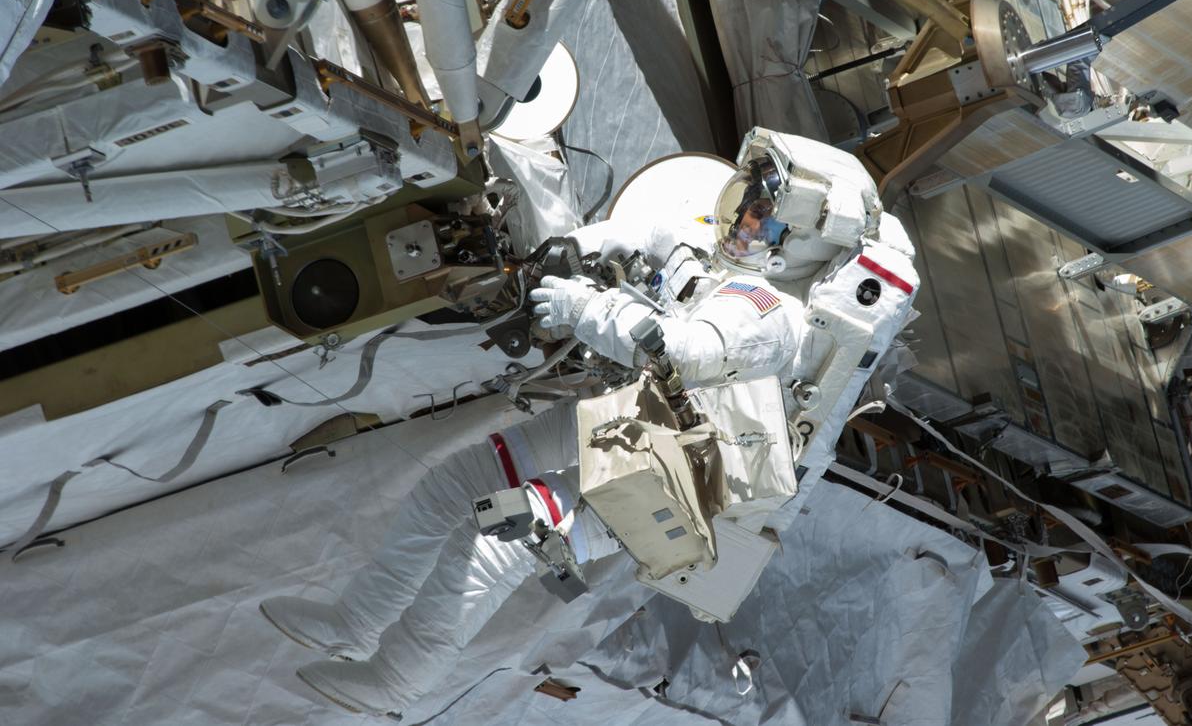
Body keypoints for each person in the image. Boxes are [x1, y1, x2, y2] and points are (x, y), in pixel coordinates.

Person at [260, 128, 920, 716]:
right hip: (647, 422)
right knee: (452, 485)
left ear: (802, 240)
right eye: (748, 203)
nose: (745, 223)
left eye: (764, 218)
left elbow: (682, 351)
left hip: (696, 481)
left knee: (494, 541)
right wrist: (581, 246)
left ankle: (393, 684)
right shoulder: (736, 265)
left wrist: (584, 309)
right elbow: (663, 238)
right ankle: (354, 622)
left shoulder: (773, 318)